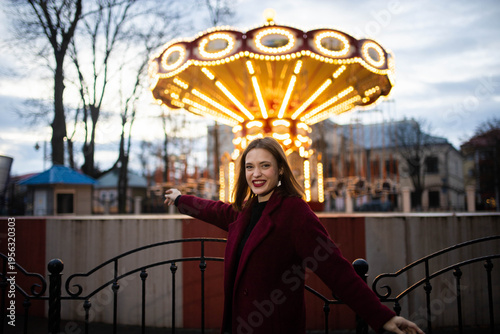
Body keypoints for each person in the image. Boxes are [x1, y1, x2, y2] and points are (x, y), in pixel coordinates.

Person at [165, 137, 423, 334]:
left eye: (265, 166)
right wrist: (180, 199)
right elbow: (213, 210)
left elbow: (334, 267)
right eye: (250, 167)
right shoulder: (245, 211)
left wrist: (381, 316)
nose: (256, 174)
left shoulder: (294, 212)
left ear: (279, 170)